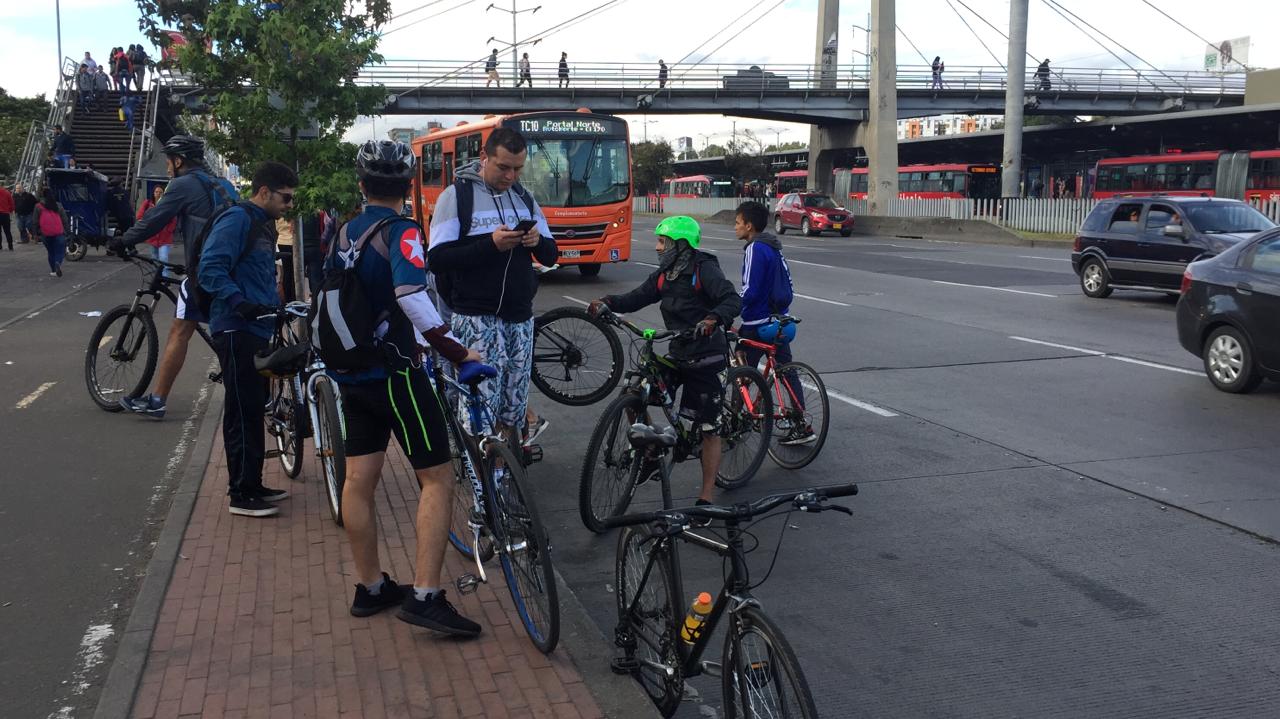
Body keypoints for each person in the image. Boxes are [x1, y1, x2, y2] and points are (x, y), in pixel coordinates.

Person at [327, 140, 486, 635]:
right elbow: (411, 296)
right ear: (409, 186)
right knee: (436, 479)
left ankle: (371, 587)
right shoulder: (403, 232)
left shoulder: (343, 231)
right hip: (398, 374)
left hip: (350, 373)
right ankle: (426, 595)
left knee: (359, 480)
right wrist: (459, 352)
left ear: (361, 185)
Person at [587, 216, 741, 506]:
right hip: (679, 352)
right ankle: (648, 452)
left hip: (707, 358)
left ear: (680, 245)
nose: (658, 247)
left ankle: (706, 496)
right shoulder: (664, 273)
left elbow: (732, 299)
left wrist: (712, 318)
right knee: (634, 392)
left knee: (709, 428)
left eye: (663, 241)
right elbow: (638, 297)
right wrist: (609, 301)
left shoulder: (703, 270)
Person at [427, 127, 557, 442]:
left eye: (518, 168)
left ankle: (503, 467)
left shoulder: (524, 198)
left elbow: (551, 254)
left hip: (519, 317)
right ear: (484, 157)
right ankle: (483, 483)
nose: (511, 175)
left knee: (512, 408)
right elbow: (437, 259)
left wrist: (536, 241)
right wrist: (491, 245)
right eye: (503, 167)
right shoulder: (457, 196)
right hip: (474, 316)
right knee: (480, 409)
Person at [109, 135, 239, 419]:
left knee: (180, 329)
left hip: (205, 270)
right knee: (232, 330)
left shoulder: (181, 185)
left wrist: (123, 241)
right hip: (234, 268)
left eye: (168, 160)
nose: (167, 166)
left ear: (178, 161)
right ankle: (253, 388)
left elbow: (154, 220)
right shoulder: (224, 185)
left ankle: (157, 400)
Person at [198, 162, 296, 518]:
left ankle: (253, 483)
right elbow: (210, 268)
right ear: (265, 191)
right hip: (235, 327)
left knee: (254, 407)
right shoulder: (237, 220)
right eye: (285, 198)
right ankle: (240, 492)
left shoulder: (262, 223)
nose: (288, 205)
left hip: (254, 328)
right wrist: (239, 301)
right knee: (241, 409)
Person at [733, 201, 812, 445]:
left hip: (757, 322)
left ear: (749, 225)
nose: (735, 227)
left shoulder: (754, 248)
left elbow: (750, 290)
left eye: (737, 223)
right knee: (786, 371)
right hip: (779, 320)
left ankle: (735, 423)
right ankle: (801, 424)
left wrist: (729, 309)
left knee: (740, 366)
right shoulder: (774, 247)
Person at [33, 189, 70, 277]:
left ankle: (53, 270)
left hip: (45, 233)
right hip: (58, 232)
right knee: (60, 251)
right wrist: (67, 231)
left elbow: (35, 221)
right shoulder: (58, 205)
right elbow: (65, 220)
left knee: (51, 252)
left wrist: (35, 234)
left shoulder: (38, 206)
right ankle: (58, 262)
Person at [138, 184, 176, 270]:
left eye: (160, 192)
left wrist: (168, 230)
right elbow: (140, 216)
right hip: (152, 237)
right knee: (154, 258)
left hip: (164, 237)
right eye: (156, 192)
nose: (158, 194)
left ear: (164, 193)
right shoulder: (147, 203)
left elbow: (173, 219)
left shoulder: (167, 205)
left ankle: (165, 278)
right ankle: (157, 277)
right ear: (153, 193)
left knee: (163, 259)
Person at [0, 184, 13, 251]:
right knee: (8, 231)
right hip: (5, 214)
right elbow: (11, 203)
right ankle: (10, 246)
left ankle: (0, 246)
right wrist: (10, 210)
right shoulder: (7, 192)